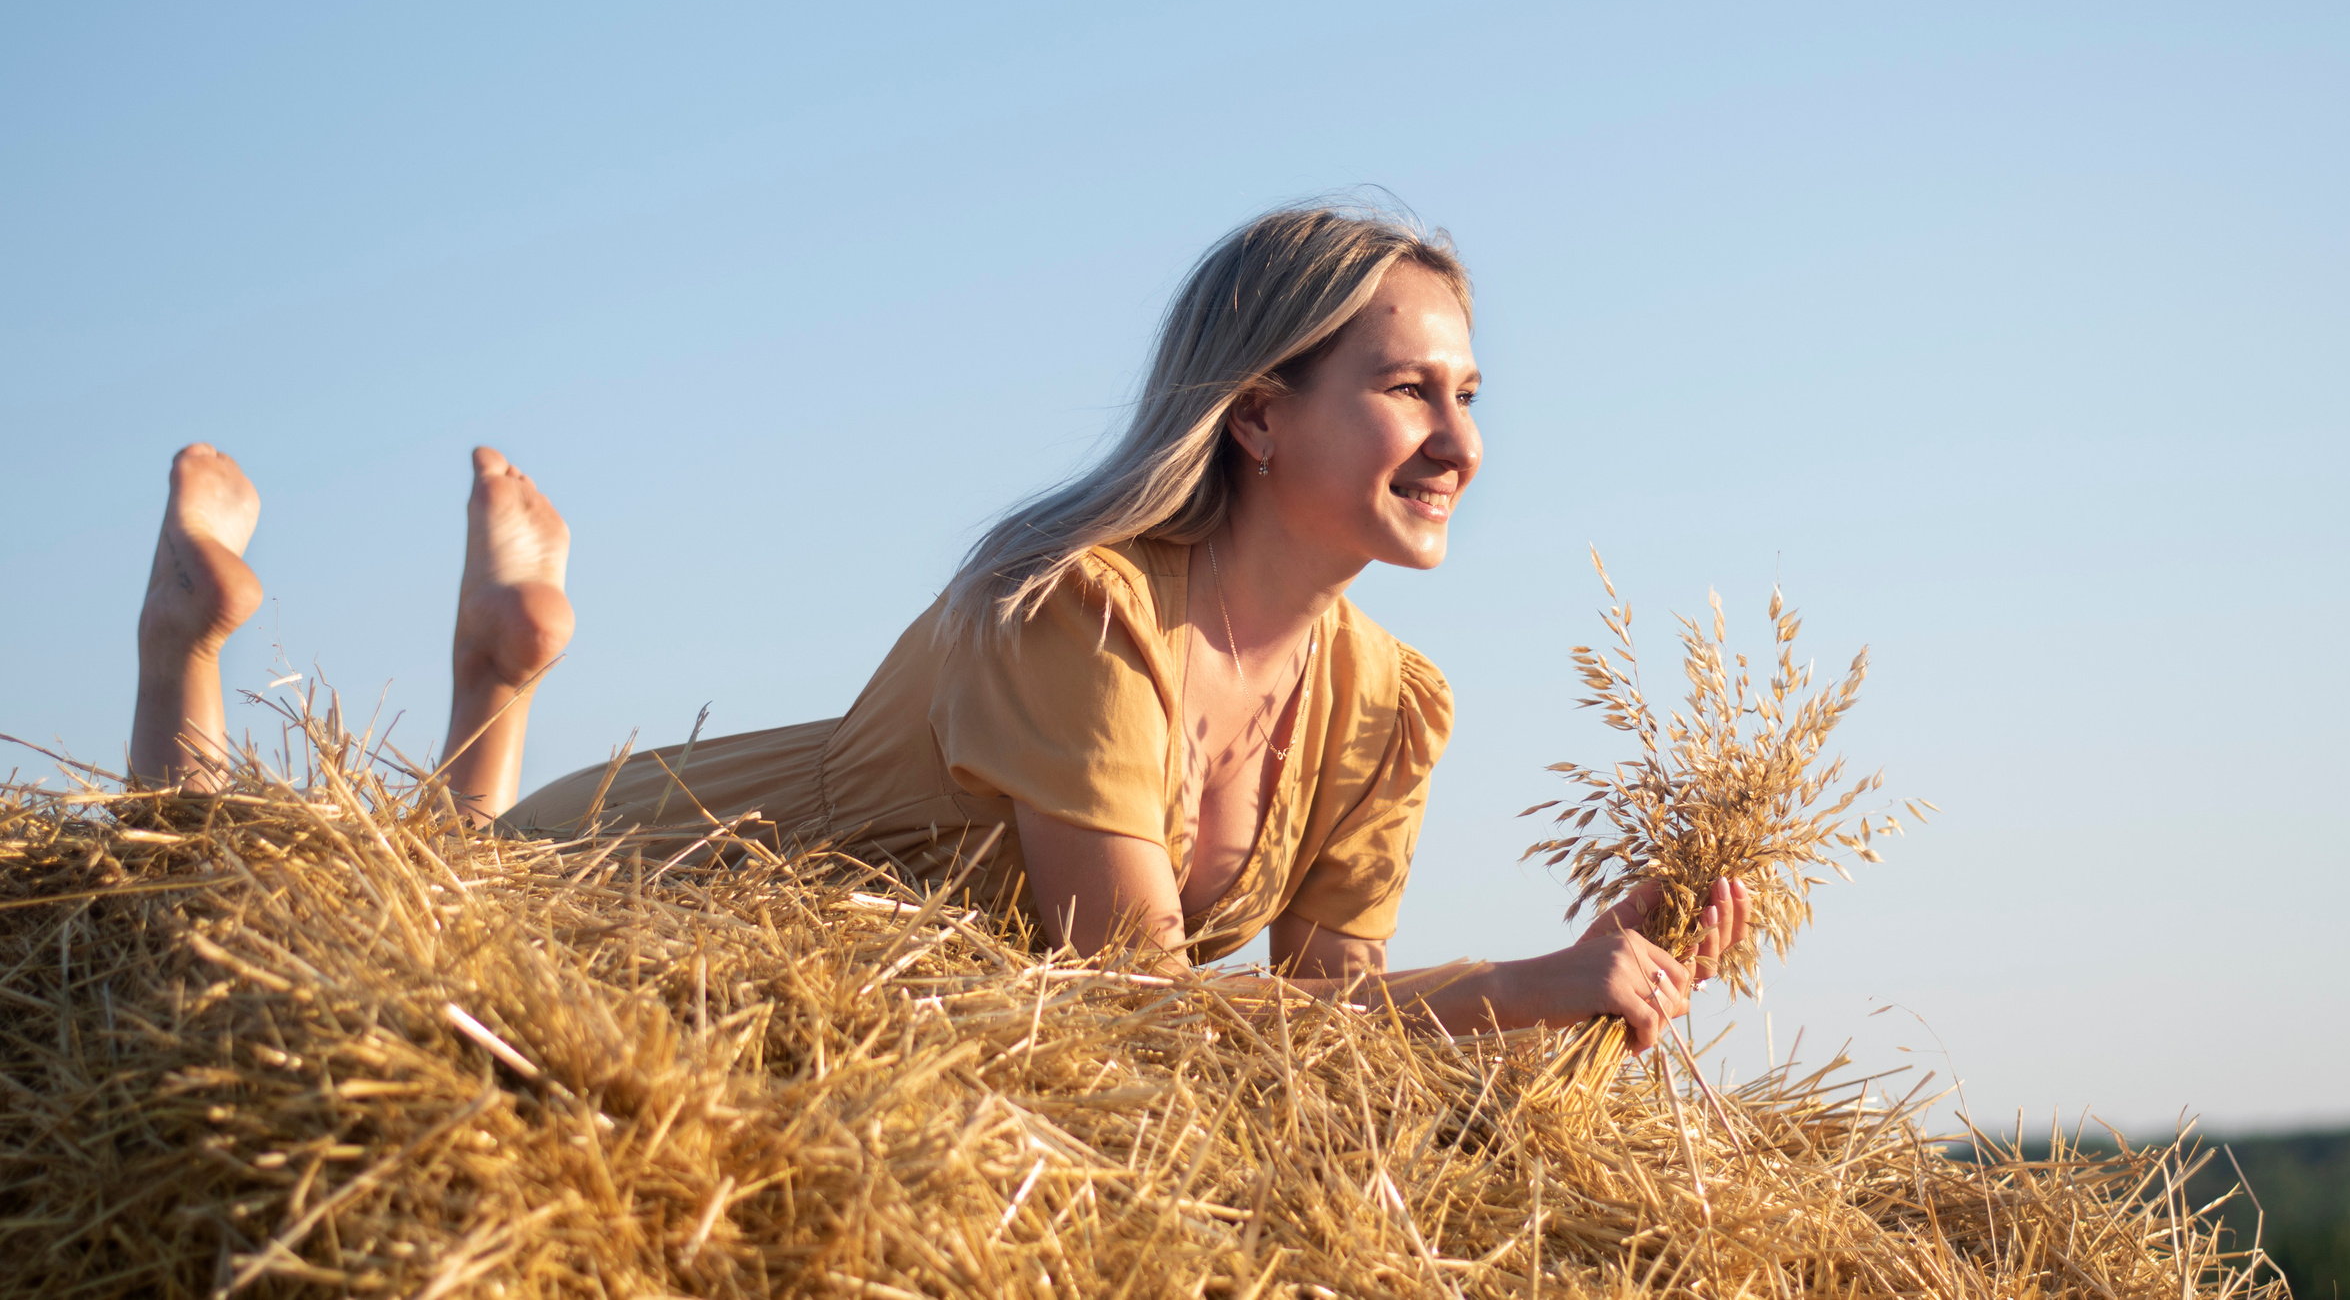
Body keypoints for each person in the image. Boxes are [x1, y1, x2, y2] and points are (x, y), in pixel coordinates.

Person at [126, 204, 1746, 1049]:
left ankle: (500, 662)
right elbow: (1135, 1006)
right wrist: (1525, 982)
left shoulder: (1395, 704)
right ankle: (183, 643)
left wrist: (1616, 961)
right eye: (1409, 389)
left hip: (802, 1013)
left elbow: (1327, 1044)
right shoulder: (1083, 608)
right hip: (646, 897)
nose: (1462, 441)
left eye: (1470, 392)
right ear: (1256, 415)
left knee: (400, 870)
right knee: (208, 915)